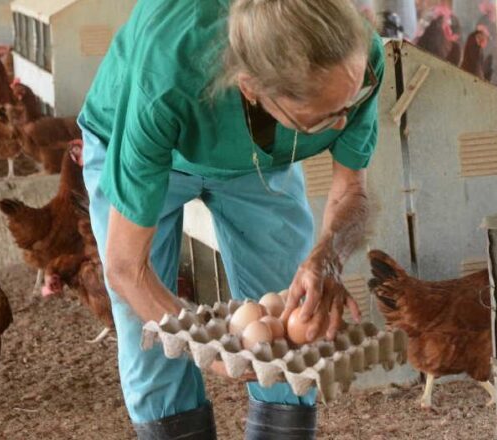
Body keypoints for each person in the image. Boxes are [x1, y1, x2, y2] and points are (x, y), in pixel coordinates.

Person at [78, 0, 384, 438]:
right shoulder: (168, 72)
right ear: (252, 88)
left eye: (349, 105)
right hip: (145, 142)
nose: (343, 121)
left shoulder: (355, 54)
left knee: (291, 324)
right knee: (151, 336)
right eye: (323, 120)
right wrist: (207, 347)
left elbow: (352, 187)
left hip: (259, 155)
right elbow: (129, 269)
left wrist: (330, 255)